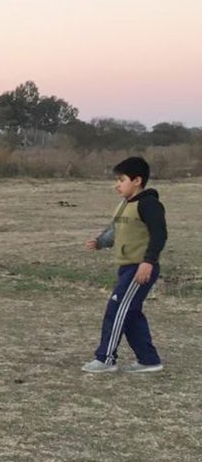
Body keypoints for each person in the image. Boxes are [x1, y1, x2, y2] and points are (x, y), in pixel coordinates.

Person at [82, 156, 167, 374]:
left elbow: (160, 235)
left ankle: (105, 359)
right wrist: (100, 242)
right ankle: (149, 360)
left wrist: (148, 262)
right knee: (130, 313)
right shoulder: (124, 205)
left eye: (121, 180)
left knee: (117, 307)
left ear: (137, 180)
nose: (117, 185)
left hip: (140, 268)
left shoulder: (149, 204)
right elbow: (116, 230)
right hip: (126, 268)